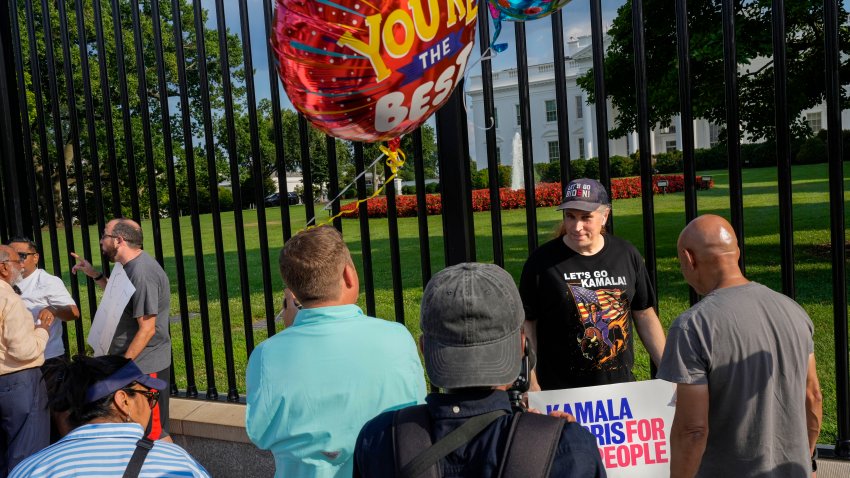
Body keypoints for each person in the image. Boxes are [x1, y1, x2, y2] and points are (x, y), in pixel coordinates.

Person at [354, 262, 606, 478]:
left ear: (424, 348)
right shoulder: (567, 446)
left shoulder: (379, 440)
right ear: (522, 347)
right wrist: (549, 438)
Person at [246, 225, 426, 478]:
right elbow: (415, 407)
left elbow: (260, 433)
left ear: (293, 292)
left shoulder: (267, 354)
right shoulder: (397, 337)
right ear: (349, 276)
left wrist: (290, 332)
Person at [657, 214, 822, 477]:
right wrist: (808, 458)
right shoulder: (794, 311)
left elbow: (692, 430)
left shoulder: (692, 326)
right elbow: (813, 396)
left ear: (689, 259)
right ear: (736, 253)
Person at [520, 178, 666, 390]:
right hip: (560, 393)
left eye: (586, 217)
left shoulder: (626, 254)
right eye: (570, 216)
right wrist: (531, 383)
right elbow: (527, 325)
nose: (576, 227)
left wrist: (669, 370)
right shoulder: (541, 263)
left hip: (619, 389)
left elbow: (644, 314)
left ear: (604, 216)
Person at [10, 355, 209, 477]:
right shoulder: (176, 463)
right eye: (148, 396)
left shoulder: (30, 470)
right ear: (123, 402)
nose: (150, 406)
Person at [70, 218, 172, 441]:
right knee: (138, 430)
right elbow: (122, 299)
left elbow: (147, 329)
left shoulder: (142, 273)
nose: (100, 241)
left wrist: (121, 369)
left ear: (118, 240)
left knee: (154, 433)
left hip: (144, 365)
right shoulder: (125, 267)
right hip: (133, 364)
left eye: (105, 235)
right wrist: (95, 275)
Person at [0, 245, 52, 477]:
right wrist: (43, 330)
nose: (21, 265)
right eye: (16, 260)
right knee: (27, 453)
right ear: (3, 268)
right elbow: (23, 350)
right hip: (19, 381)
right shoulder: (8, 298)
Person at [8, 237, 80, 365]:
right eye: (11, 256)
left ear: (35, 257)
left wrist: (54, 309)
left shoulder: (47, 282)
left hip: (46, 358)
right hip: (12, 359)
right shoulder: (5, 281)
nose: (16, 260)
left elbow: (74, 312)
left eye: (22, 255)